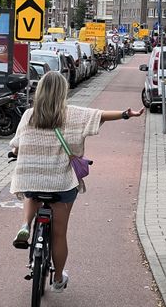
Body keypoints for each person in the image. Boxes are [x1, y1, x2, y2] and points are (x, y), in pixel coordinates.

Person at [9, 71, 144, 292]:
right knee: (60, 234)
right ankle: (59, 278)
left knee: (30, 191)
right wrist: (126, 114)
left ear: (40, 91)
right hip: (61, 184)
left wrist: (17, 151)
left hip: (30, 178)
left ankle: (26, 224)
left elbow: (16, 143)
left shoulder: (29, 116)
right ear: (63, 92)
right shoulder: (73, 114)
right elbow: (99, 115)